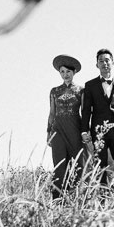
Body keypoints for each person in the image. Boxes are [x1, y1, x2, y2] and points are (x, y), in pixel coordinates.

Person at [80, 48, 114, 192]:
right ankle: (102, 200)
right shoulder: (90, 85)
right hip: (98, 132)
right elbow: (86, 110)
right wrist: (85, 130)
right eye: (101, 61)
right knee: (100, 166)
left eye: (107, 60)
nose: (104, 63)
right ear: (97, 65)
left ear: (113, 63)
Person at [46, 54, 86, 199]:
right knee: (59, 166)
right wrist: (48, 133)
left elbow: (85, 113)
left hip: (75, 130)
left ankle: (75, 198)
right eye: (62, 72)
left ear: (74, 72)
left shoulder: (81, 90)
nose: (65, 75)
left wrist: (85, 132)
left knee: (77, 165)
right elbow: (51, 113)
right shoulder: (54, 91)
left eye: (68, 71)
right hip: (58, 131)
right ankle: (57, 200)